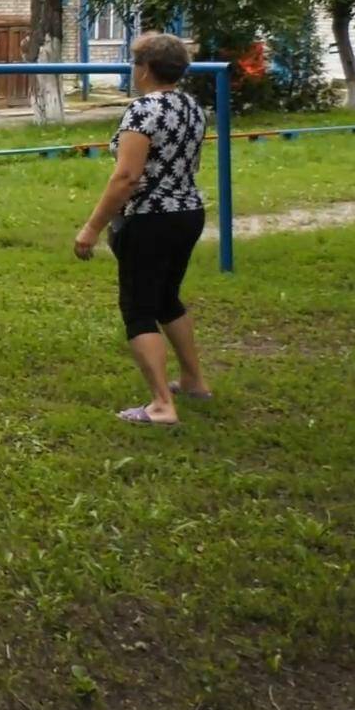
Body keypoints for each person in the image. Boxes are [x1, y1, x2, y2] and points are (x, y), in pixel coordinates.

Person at [74, 33, 209, 427]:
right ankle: (194, 380)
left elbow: (127, 177)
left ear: (146, 69)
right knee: (167, 298)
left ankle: (162, 405)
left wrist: (91, 227)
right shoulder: (192, 107)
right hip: (188, 212)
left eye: (135, 64)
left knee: (138, 309)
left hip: (149, 218)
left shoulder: (143, 111)